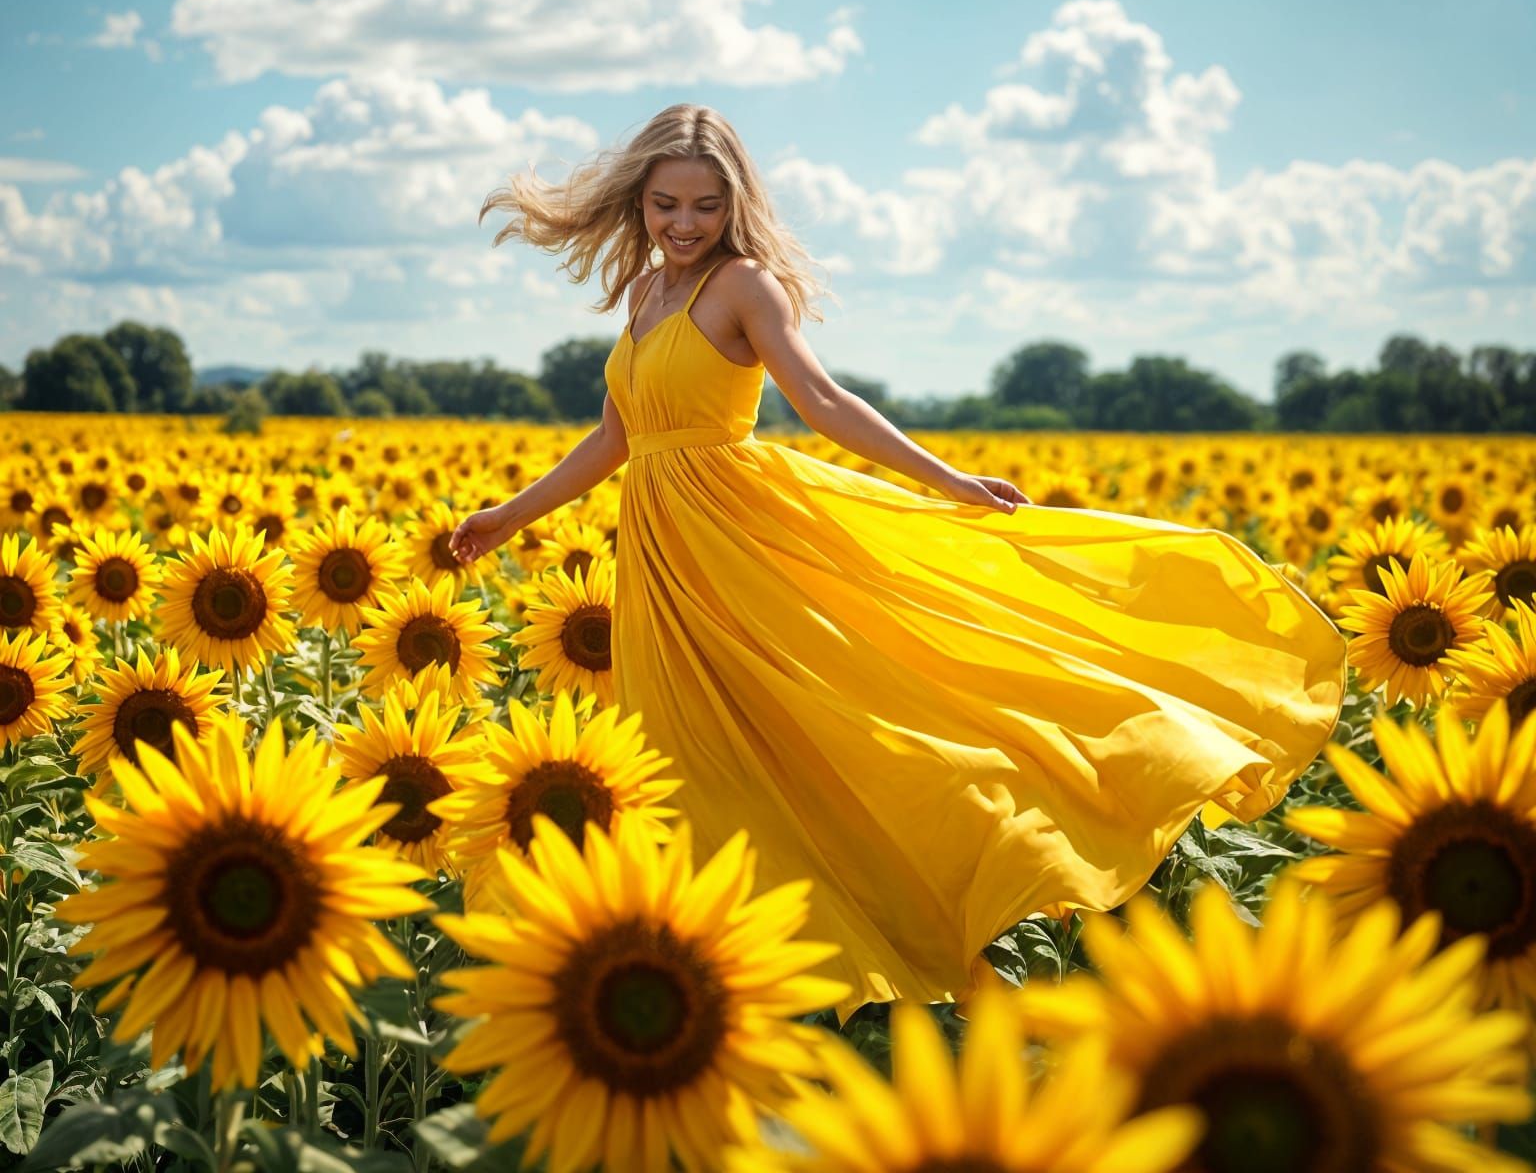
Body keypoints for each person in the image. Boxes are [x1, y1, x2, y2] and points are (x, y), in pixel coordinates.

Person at [448, 102, 1346, 1017]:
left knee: (828, 718)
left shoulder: (745, 287)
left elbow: (826, 402)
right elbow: (616, 438)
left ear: (735, 205)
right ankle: (726, 961)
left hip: (741, 541)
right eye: (667, 205)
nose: (684, 225)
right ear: (639, 202)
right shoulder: (645, 294)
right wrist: (510, 515)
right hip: (661, 554)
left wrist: (944, 477)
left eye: (706, 207)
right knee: (688, 753)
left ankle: (920, 895)